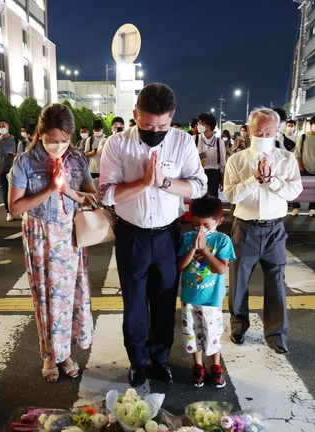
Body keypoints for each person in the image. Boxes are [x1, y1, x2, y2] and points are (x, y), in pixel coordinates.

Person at [99, 82, 207, 387]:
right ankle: (138, 360)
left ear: (172, 118)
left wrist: (164, 183)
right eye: (147, 124)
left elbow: (199, 186)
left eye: (162, 125)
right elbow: (106, 194)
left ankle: (160, 358)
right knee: (134, 302)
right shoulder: (117, 144)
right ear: (135, 115)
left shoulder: (183, 142)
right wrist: (144, 183)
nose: (155, 130)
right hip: (131, 234)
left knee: (164, 299)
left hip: (168, 234)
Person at [9, 103, 95, 383]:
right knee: (45, 298)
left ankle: (66, 354)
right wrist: (49, 189)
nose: (58, 146)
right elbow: (14, 208)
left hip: (69, 237)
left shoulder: (77, 159)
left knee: (68, 298)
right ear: (40, 133)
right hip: (40, 236)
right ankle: (50, 355)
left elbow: (91, 197)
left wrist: (66, 189)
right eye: (52, 140)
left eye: (64, 140)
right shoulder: (25, 161)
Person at [223, 107, 302, 353]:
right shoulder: (237, 159)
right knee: (238, 283)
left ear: (277, 130)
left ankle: (276, 334)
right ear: (248, 130)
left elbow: (294, 192)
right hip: (245, 228)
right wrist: (255, 179)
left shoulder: (286, 159)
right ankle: (238, 326)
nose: (263, 135)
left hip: (275, 229)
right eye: (258, 130)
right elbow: (230, 194)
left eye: (268, 131)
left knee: (276, 282)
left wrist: (272, 180)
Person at [177, 195, 235, 388]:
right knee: (193, 333)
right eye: (196, 224)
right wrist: (194, 248)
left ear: (219, 221)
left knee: (213, 334)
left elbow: (221, 269)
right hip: (189, 297)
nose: (200, 229)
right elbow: (181, 267)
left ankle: (216, 366)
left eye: (206, 225)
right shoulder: (187, 239)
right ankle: (198, 366)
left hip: (212, 299)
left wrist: (205, 250)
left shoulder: (222, 240)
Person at [293, 116, 315, 217]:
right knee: (298, 187)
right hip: (302, 168)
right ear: (311, 125)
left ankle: (312, 208)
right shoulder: (302, 137)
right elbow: (297, 153)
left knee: (314, 189)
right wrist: (300, 166)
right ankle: (296, 206)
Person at [195, 112, 227, 197]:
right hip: (197, 173)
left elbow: (222, 163)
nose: (198, 125)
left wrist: (223, 179)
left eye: (201, 123)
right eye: (198, 123)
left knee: (212, 201)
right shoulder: (194, 139)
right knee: (198, 200)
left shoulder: (219, 142)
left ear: (208, 126)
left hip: (213, 174)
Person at [0, 119, 17, 220]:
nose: (1, 128)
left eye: (3, 126)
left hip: (15, 169)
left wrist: (15, 155)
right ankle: (9, 211)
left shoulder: (15, 140)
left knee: (17, 190)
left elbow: (21, 153)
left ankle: (18, 209)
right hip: (2, 169)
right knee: (5, 191)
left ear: (8, 126)